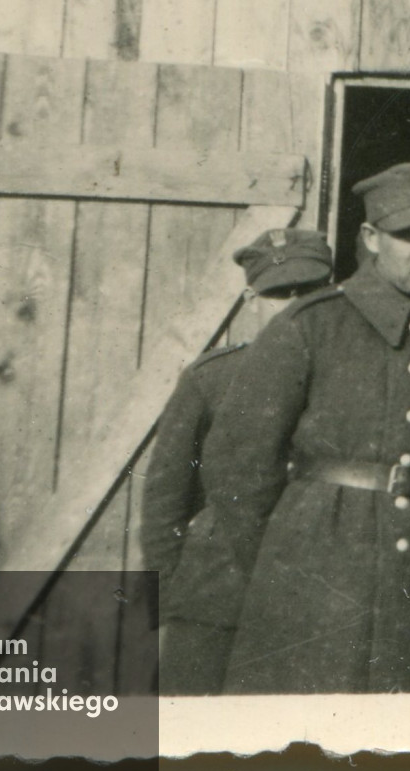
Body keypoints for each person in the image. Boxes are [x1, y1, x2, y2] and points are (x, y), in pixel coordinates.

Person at [204, 163, 410, 695]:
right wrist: (288, 560)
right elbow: (237, 463)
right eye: (407, 235)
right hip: (315, 581)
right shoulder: (311, 325)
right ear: (370, 238)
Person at [140, 228, 335, 695]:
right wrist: (177, 594)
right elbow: (166, 499)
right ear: (251, 299)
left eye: (307, 291)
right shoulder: (212, 379)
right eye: (277, 293)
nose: (291, 305)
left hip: (316, 591)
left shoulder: (349, 379)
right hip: (219, 594)